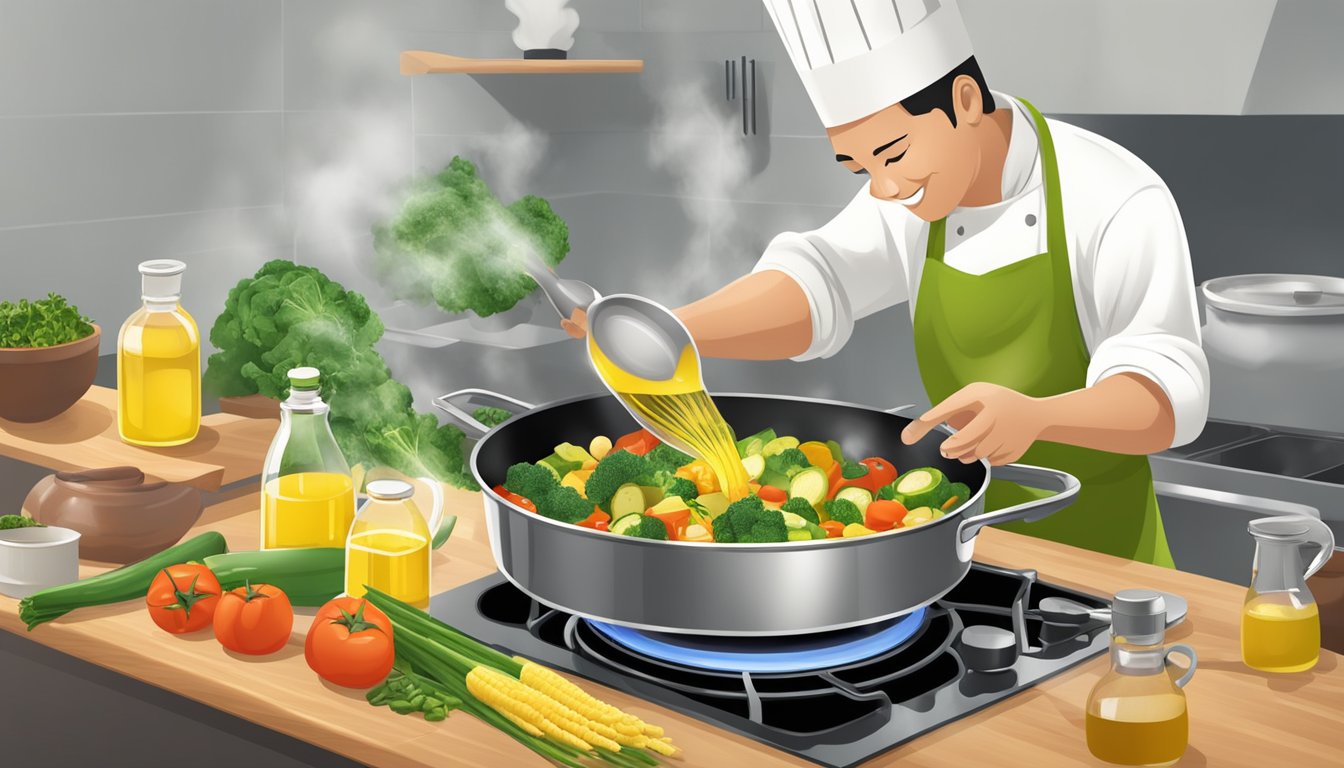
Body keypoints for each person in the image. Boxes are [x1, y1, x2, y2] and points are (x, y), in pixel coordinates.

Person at [565, 0, 1208, 566]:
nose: (885, 187)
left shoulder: (1117, 194)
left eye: (894, 155)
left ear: (963, 100)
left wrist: (1038, 416)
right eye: (859, 166)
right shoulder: (911, 197)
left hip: (1105, 557)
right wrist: (667, 330)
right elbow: (819, 286)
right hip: (959, 544)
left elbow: (1167, 400)